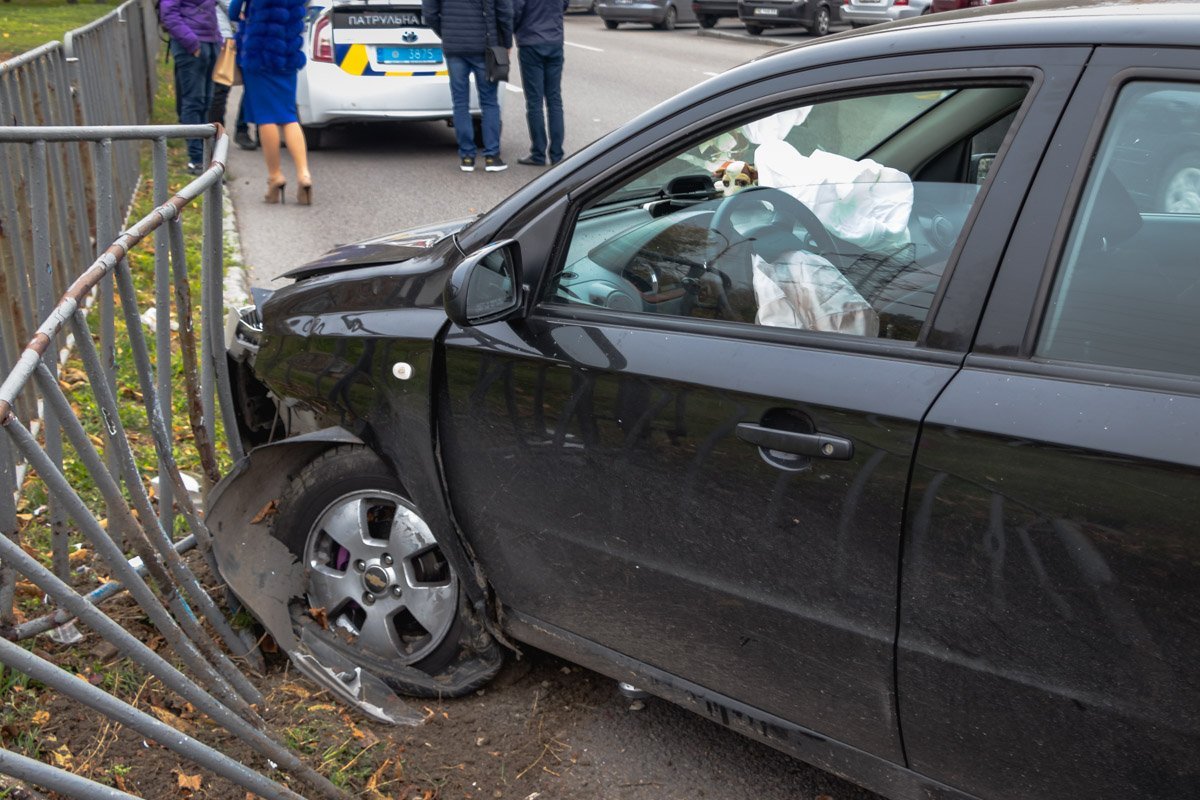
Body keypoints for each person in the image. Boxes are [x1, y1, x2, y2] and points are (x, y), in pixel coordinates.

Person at [229, 0, 312, 203]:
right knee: (288, 116)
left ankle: (275, 176)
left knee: (266, 118)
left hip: (260, 54)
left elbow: (233, 11)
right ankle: (304, 174)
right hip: (287, 53)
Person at [423, 0, 513, 172]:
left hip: (455, 49)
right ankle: (492, 157)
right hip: (484, 47)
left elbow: (429, 14)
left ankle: (466, 157)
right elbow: (505, 12)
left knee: (460, 103)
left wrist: (447, 34)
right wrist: (507, 42)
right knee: (489, 102)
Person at [159, 0, 223, 175]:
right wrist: (191, 42)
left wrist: (217, 41)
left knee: (206, 101)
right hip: (191, 44)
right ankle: (196, 159)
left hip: (210, 43)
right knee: (193, 101)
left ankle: (204, 156)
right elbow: (169, 13)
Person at [512, 0, 567, 167]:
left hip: (531, 42)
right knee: (554, 99)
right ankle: (557, 153)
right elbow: (564, 5)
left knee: (535, 101)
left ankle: (538, 152)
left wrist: (514, 30)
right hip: (554, 40)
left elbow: (516, 12)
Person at [209, 0, 256, 150]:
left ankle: (245, 130)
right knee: (221, 87)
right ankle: (217, 134)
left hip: (245, 36)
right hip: (224, 37)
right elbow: (231, 9)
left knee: (253, 87)